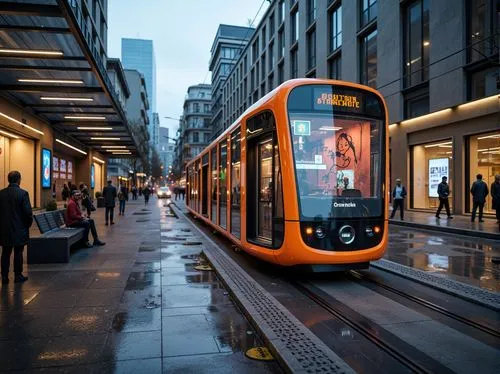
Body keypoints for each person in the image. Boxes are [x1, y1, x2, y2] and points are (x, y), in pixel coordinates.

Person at [0, 171, 33, 284]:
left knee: (5, 252)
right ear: (19, 179)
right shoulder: (23, 194)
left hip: (4, 229)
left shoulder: (1, 193)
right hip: (20, 228)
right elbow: (28, 212)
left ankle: (4, 277)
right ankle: (18, 275)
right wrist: (27, 225)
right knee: (18, 252)